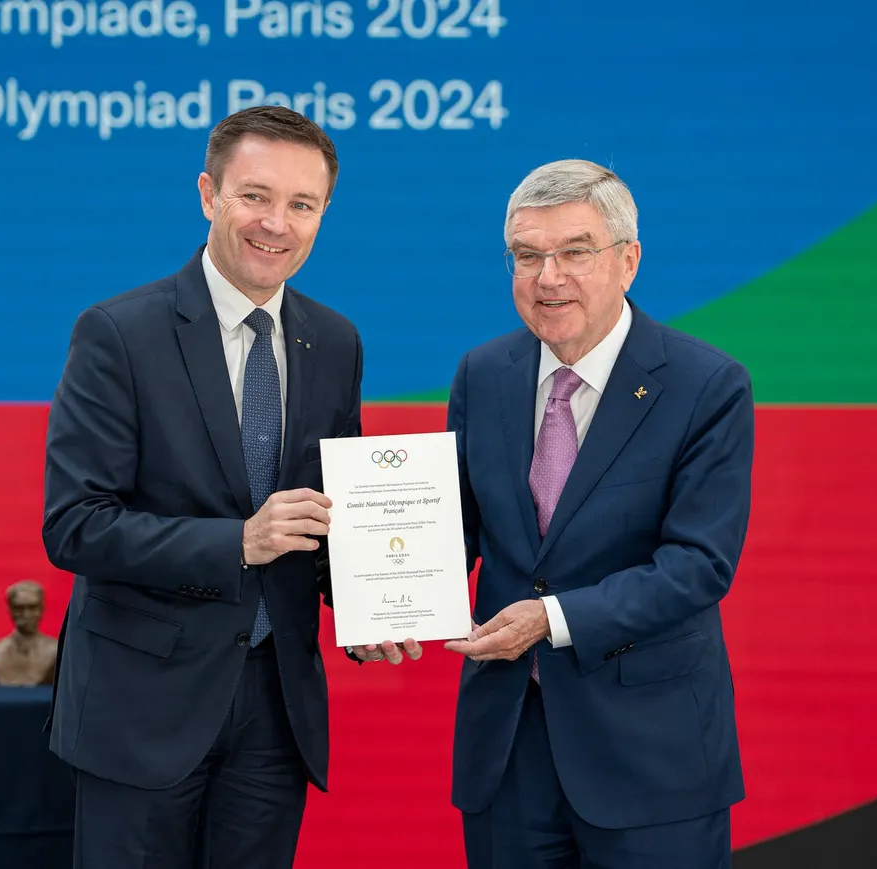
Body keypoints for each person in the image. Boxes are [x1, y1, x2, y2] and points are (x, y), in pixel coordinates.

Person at [41, 105, 389, 869]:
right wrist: (237, 541)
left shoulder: (335, 341)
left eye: (303, 204)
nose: (277, 222)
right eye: (254, 196)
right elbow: (75, 524)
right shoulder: (118, 334)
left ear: (325, 213)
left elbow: (328, 512)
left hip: (275, 706)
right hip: (142, 705)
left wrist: (366, 600)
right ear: (208, 194)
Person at [441, 159, 754, 868]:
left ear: (628, 260)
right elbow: (451, 531)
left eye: (575, 251)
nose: (549, 277)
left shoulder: (708, 386)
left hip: (651, 757)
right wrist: (379, 604)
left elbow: (698, 565)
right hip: (509, 748)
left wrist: (550, 619)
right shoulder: (482, 374)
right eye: (528, 255)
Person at [0, 579, 57, 686]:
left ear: (41, 609)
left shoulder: (55, 649)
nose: (26, 615)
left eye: (32, 607)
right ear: (10, 610)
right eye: (19, 608)